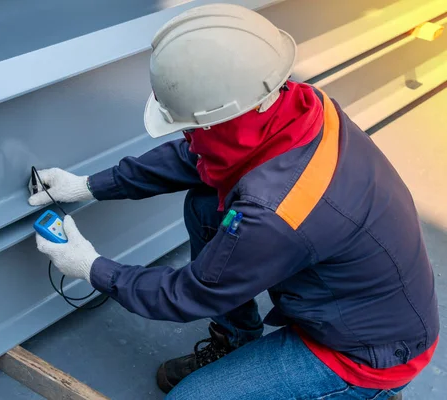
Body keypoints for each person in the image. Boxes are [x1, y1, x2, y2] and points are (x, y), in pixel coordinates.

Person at [28, 4, 439, 399]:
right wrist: (86, 185)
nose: (188, 137)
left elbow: (189, 294)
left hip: (366, 353)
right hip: (357, 297)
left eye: (191, 126)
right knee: (207, 205)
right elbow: (196, 158)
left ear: (219, 117)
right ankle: (235, 340)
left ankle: (359, 394)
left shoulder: (275, 211)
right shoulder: (293, 106)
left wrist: (91, 267)